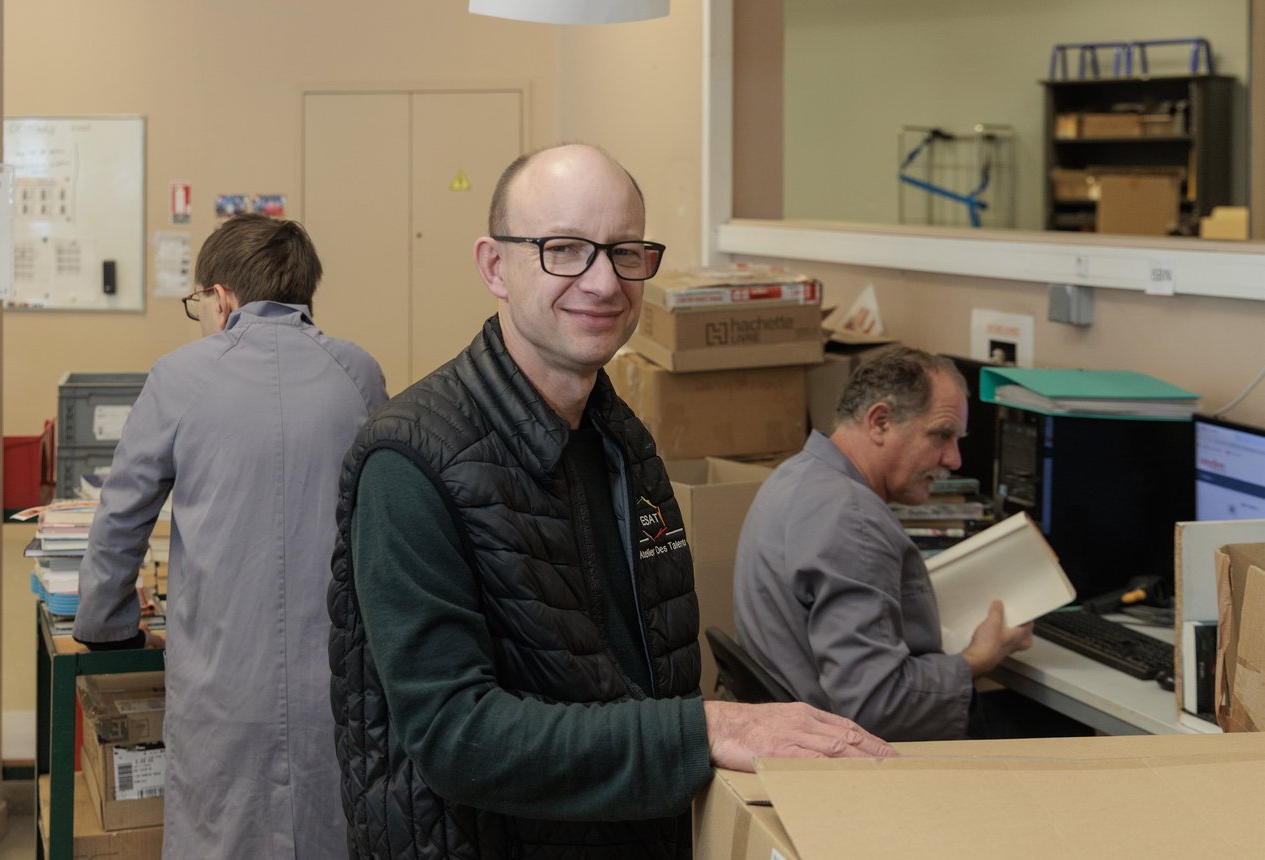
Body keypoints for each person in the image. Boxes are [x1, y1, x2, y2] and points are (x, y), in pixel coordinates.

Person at [328, 143, 895, 859]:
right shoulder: (408, 464)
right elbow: (457, 737)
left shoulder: (622, 441)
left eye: (626, 252)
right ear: (494, 267)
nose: (603, 281)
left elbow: (636, 677)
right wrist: (708, 730)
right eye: (564, 249)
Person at [73, 213, 388, 858]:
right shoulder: (358, 373)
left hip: (222, 687)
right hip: (338, 683)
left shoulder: (181, 375)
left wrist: (106, 624)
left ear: (220, 297)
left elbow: (122, 516)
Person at [733, 347, 1035, 742]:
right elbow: (876, 705)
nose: (955, 459)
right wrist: (976, 660)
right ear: (880, 422)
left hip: (796, 723)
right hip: (847, 750)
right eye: (942, 435)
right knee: (1069, 731)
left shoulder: (796, 475)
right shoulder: (853, 519)